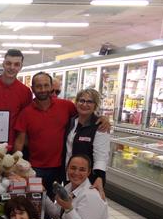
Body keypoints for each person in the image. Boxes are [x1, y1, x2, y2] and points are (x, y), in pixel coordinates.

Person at [14, 72, 110, 200]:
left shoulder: (66, 106)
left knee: (59, 200)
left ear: (51, 87)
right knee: (36, 202)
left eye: (46, 85)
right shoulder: (26, 112)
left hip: (60, 169)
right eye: (39, 86)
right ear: (33, 89)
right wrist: (16, 167)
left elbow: (86, 114)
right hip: (35, 169)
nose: (43, 89)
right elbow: (19, 142)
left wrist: (102, 118)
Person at [64, 89, 110, 199]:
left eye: (89, 102)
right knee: (68, 208)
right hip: (68, 175)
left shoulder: (99, 126)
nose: (85, 104)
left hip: (86, 178)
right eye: (82, 100)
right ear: (76, 103)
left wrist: (100, 177)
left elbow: (101, 156)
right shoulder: (71, 122)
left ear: (95, 105)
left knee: (82, 209)